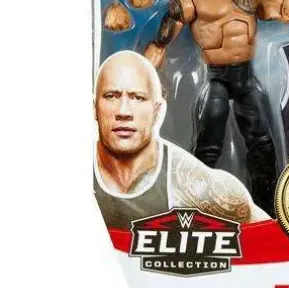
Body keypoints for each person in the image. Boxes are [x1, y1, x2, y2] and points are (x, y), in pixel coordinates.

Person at [144, 0, 289, 217]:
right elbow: (159, 45)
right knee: (207, 148)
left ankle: (268, 213)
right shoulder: (191, 0)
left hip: (246, 80)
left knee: (263, 146)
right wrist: (143, 87)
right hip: (216, 80)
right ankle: (198, 212)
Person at [94, 50, 269, 230]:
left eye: (138, 98)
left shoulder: (196, 186)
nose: (124, 111)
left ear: (157, 109)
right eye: (111, 96)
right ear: (93, 107)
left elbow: (271, 234)